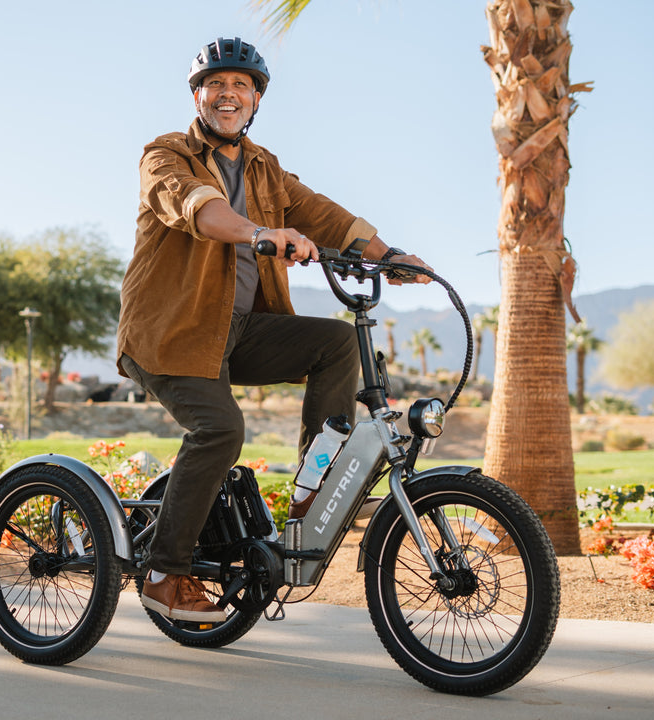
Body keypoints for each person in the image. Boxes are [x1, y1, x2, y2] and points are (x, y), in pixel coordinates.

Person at [116, 37, 431, 622]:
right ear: (198, 95)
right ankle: (163, 573)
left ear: (256, 99)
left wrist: (394, 256)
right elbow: (198, 208)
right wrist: (259, 232)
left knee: (335, 342)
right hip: (171, 336)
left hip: (236, 331)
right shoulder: (166, 154)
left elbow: (326, 215)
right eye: (216, 84)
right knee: (218, 431)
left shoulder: (265, 168)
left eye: (241, 85)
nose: (227, 93)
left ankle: (317, 477)